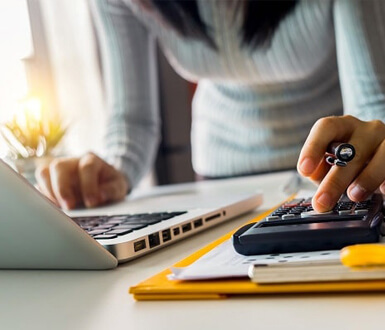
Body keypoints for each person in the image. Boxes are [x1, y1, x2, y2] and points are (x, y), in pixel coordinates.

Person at [36, 0, 385, 213]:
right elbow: (132, 122)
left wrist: (371, 152)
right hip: (218, 183)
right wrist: (109, 173)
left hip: (332, 173)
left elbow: (371, 103)